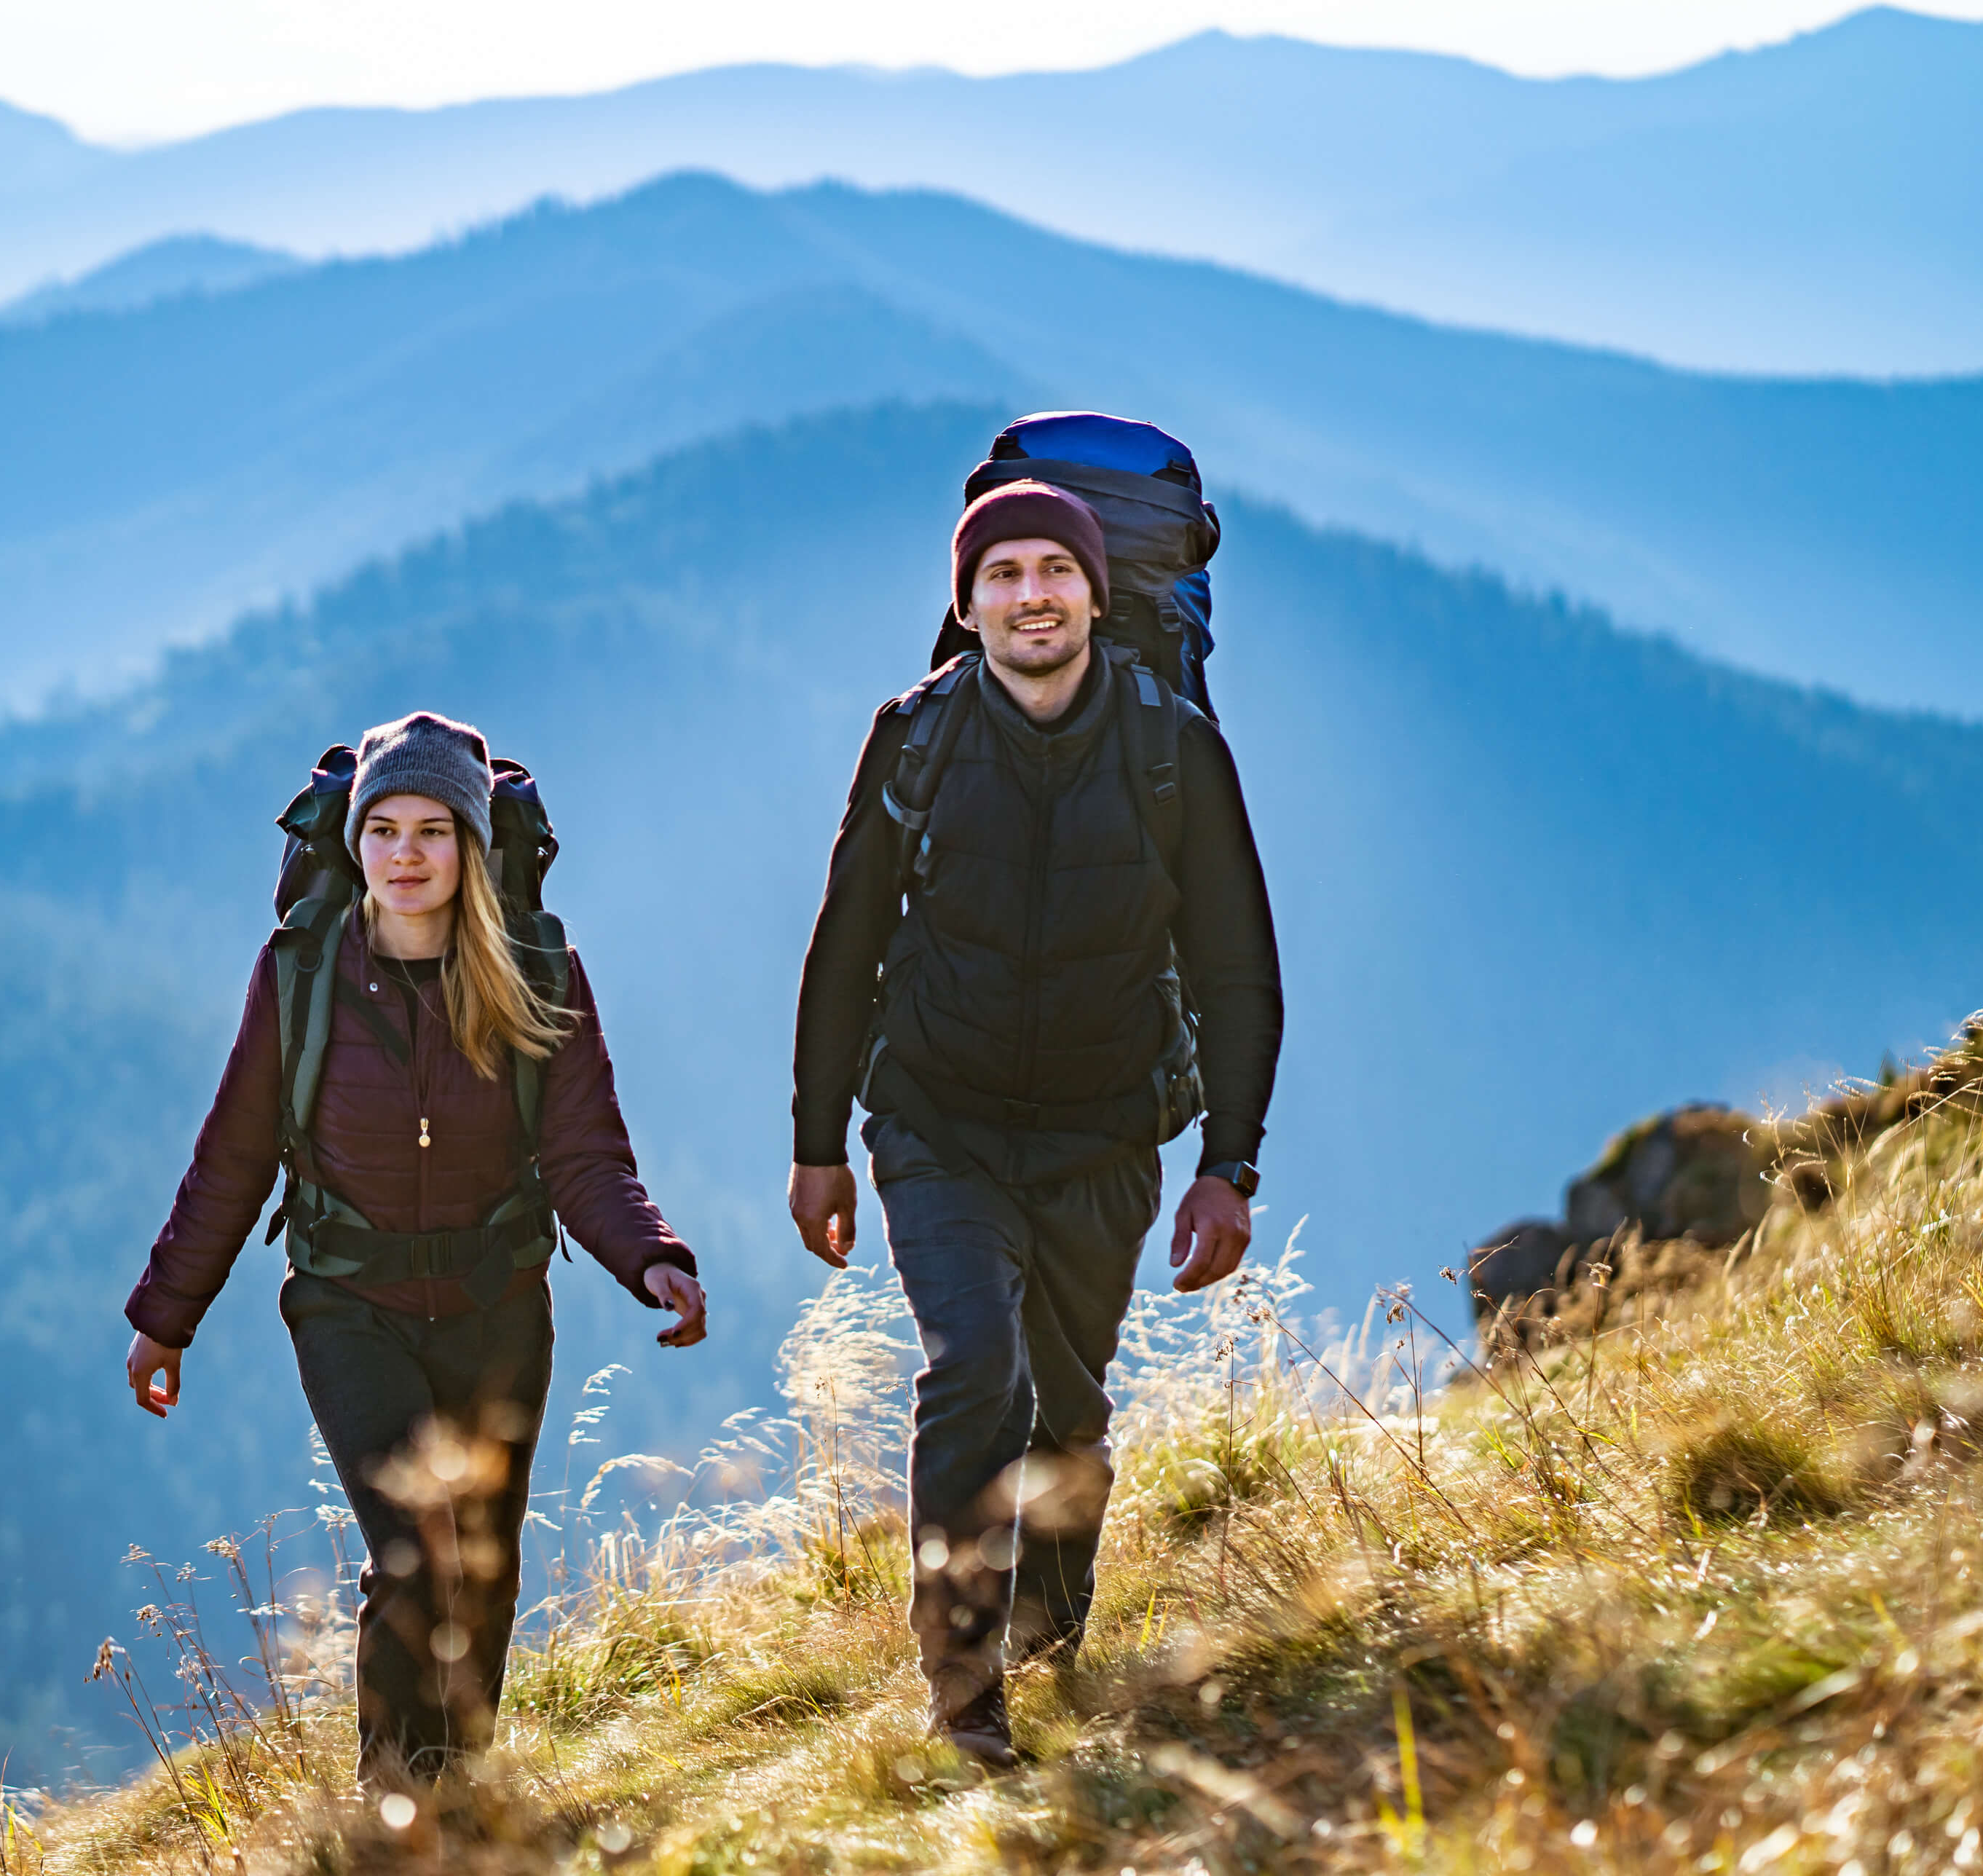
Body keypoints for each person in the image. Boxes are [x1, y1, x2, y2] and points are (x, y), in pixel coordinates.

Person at [787, 481, 1282, 1768]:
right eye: (1000, 575)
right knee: (975, 1374)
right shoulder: (916, 738)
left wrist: (1230, 1162)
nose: (1030, 596)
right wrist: (818, 1139)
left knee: (1068, 1413)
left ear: (1094, 592)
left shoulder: (1174, 748)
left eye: (1051, 572)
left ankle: (1053, 1642)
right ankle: (964, 1695)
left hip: (1105, 1137)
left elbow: (1235, 964)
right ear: (966, 605)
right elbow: (846, 942)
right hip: (936, 1127)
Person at [123, 710, 707, 1786]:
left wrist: (650, 1256)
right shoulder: (303, 975)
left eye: (432, 830)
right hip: (351, 1307)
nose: (404, 853)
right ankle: (394, 1804)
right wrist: (167, 1314)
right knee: (412, 1549)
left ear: (473, 844)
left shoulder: (537, 970)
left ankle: (460, 1793)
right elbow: (235, 1153)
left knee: (478, 1566)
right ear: (352, 842)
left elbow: (586, 1151)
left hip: (498, 1306)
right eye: (383, 828)